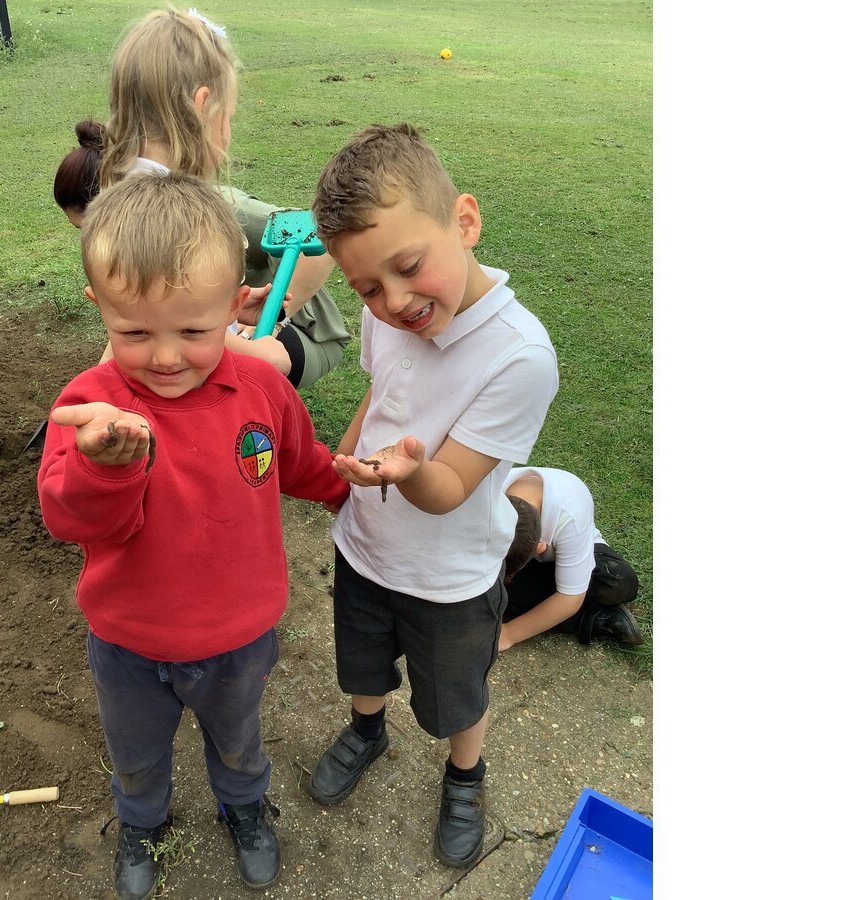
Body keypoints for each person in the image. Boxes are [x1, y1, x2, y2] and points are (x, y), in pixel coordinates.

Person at [36, 172, 349, 898]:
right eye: (135, 333)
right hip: (129, 642)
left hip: (239, 638)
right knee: (136, 751)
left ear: (237, 306)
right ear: (100, 307)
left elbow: (299, 461)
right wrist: (107, 467)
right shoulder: (91, 409)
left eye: (193, 331)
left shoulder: (262, 388)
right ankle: (141, 821)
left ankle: (245, 807)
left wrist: (348, 488)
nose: (166, 356)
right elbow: (69, 520)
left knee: (239, 742)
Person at [304, 123, 560, 868]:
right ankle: (367, 730)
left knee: (456, 696)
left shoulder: (519, 356)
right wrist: (346, 461)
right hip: (365, 550)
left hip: (449, 579)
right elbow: (381, 393)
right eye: (367, 288)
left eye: (410, 267)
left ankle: (464, 774)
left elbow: (446, 487)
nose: (394, 301)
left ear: (465, 220)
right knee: (362, 662)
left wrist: (404, 471)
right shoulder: (385, 316)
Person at [95, 5, 350, 389]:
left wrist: (223, 307)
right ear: (202, 106)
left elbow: (151, 316)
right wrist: (259, 354)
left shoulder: (122, 193)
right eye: (227, 117)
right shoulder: (170, 206)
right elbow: (170, 332)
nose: (227, 134)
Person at [500, 466, 644, 651]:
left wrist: (509, 634)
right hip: (523, 565)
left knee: (619, 582)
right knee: (492, 589)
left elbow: (570, 597)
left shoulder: (571, 513)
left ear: (540, 547)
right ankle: (593, 618)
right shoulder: (486, 496)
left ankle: (555, 610)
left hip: (580, 554)